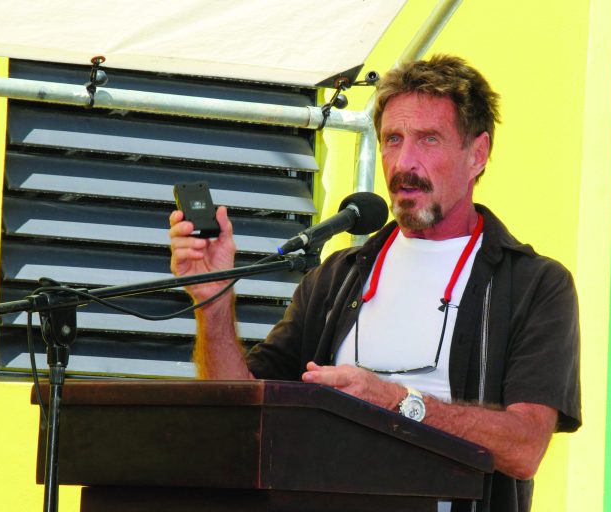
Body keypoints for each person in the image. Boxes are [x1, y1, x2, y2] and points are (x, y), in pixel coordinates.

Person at [168, 55, 581, 512]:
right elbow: (238, 411)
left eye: (429, 140)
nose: (405, 163)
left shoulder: (533, 285)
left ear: (477, 154)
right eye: (392, 140)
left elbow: (524, 447)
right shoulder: (336, 278)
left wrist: (395, 402)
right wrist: (213, 301)